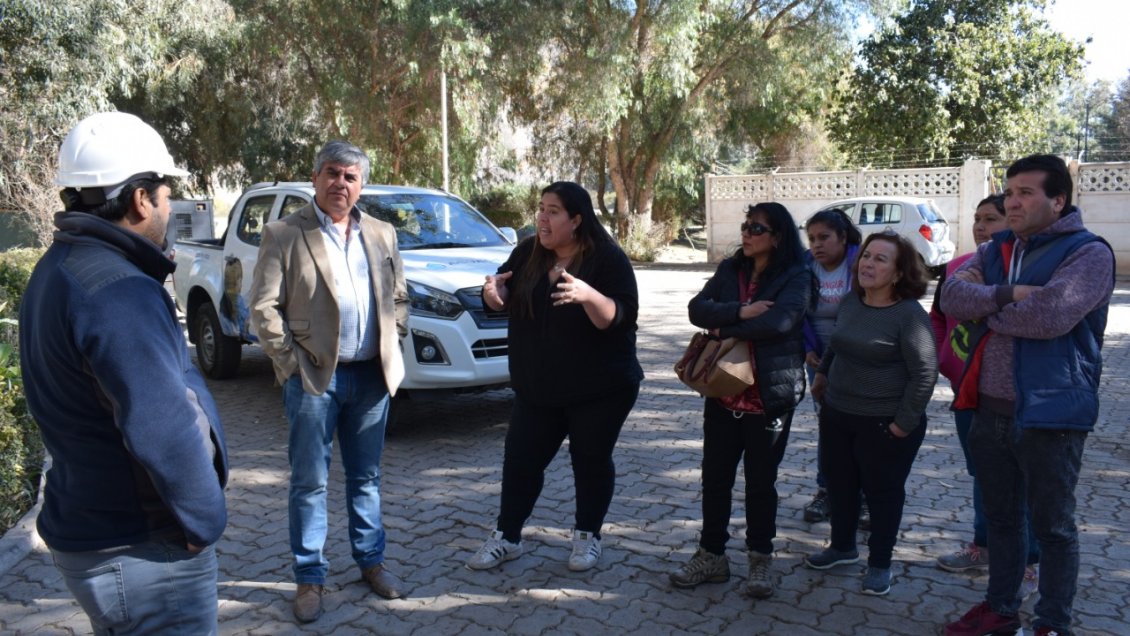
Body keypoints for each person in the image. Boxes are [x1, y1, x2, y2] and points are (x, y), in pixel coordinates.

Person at [18, 111, 228, 634]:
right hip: (144, 549)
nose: (169, 205)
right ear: (140, 199)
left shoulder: (59, 268)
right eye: (165, 193)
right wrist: (204, 521)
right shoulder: (117, 291)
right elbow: (162, 426)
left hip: (97, 532)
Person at [942, 155, 1115, 636]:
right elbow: (951, 299)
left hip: (1050, 414)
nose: (1011, 201)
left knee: (1053, 530)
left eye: (1025, 193)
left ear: (1058, 201)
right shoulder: (997, 249)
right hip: (989, 409)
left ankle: (1052, 624)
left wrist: (988, 305)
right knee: (1001, 523)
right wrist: (1011, 294)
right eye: (1009, 191)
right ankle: (1000, 611)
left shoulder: (1089, 253)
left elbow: (1050, 317)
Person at [249, 140, 408, 623]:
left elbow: (398, 295)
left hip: (371, 379)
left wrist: (393, 335)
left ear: (362, 185)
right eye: (333, 173)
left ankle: (371, 563)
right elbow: (262, 307)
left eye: (351, 176)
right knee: (310, 482)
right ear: (315, 177)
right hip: (315, 379)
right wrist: (289, 362)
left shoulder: (382, 233)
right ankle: (309, 577)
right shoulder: (283, 233)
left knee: (366, 478)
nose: (341, 183)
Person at [467, 181, 642, 573]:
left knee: (590, 460)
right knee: (521, 460)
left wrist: (588, 296)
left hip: (599, 388)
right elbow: (500, 291)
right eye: (541, 208)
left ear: (576, 220)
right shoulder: (528, 251)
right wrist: (491, 295)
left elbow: (620, 316)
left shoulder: (607, 259)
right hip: (538, 386)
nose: (542, 218)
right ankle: (507, 537)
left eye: (553, 211)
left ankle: (587, 535)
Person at [668, 202, 815, 599]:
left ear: (778, 236)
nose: (746, 233)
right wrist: (739, 310)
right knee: (715, 478)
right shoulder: (731, 269)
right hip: (722, 391)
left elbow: (779, 322)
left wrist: (722, 323)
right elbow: (696, 309)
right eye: (746, 226)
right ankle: (712, 555)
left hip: (770, 396)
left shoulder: (797, 275)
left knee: (761, 483)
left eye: (756, 228)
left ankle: (760, 558)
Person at [804, 232, 937, 596]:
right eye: (866, 256)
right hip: (838, 414)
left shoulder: (908, 315)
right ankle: (842, 547)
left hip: (884, 424)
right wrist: (823, 374)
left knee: (882, 494)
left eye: (881, 259)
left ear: (898, 272)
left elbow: (925, 373)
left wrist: (901, 425)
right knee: (840, 485)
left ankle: (880, 563)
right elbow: (837, 342)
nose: (868, 264)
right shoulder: (852, 301)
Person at [932, 195, 1040, 597]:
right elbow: (941, 313)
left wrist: (989, 296)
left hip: (1012, 393)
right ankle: (983, 545)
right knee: (983, 472)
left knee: (1021, 480)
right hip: (966, 389)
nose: (980, 226)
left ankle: (1028, 562)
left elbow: (1020, 316)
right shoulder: (960, 266)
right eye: (977, 218)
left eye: (990, 219)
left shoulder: (1028, 268)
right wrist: (948, 361)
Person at [799, 209, 864, 526]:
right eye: (812, 238)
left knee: (861, 431)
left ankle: (862, 496)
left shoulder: (861, 264)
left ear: (842, 237)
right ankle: (827, 490)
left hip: (858, 360)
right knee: (829, 427)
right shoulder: (805, 266)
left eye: (824, 237)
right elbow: (800, 314)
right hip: (818, 362)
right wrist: (809, 348)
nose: (816, 245)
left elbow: (863, 313)